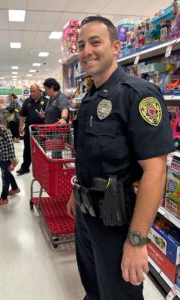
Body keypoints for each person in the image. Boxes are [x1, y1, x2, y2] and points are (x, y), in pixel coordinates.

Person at [66, 15, 175, 300]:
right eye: (81, 45)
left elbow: (155, 171)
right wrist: (75, 194)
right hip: (86, 219)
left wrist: (137, 240)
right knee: (93, 290)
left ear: (116, 47)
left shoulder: (139, 95)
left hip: (119, 225)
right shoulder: (90, 98)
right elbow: (89, 156)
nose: (86, 51)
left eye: (95, 42)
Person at [17, 84, 47, 175]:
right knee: (27, 149)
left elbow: (50, 114)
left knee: (41, 149)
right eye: (31, 91)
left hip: (42, 130)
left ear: (39, 91)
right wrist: (20, 126)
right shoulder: (27, 101)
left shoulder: (46, 101)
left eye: (34, 91)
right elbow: (22, 115)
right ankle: (25, 167)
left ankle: (42, 167)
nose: (32, 93)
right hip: (29, 130)